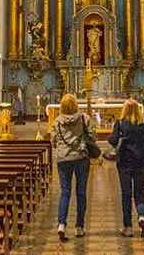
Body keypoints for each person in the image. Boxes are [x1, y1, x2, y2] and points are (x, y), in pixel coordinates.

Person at [108, 98, 144, 238]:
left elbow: (113, 141)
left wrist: (111, 137)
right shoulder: (143, 124)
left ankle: (128, 227)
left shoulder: (121, 123)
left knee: (126, 194)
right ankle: (141, 216)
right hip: (142, 162)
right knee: (140, 192)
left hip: (125, 163)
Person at [50, 93, 93, 241]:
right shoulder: (84, 118)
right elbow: (92, 137)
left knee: (65, 192)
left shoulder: (57, 121)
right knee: (81, 192)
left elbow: (53, 140)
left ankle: (61, 224)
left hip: (63, 159)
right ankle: (79, 227)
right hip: (81, 158)